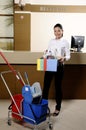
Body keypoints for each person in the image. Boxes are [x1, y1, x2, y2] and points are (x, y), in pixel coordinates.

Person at [42, 23, 70, 116]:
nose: (57, 32)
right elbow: (48, 52)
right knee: (46, 87)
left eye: (58, 30)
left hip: (59, 65)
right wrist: (45, 55)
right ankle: (44, 107)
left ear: (62, 31)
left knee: (58, 87)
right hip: (50, 64)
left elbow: (68, 55)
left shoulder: (65, 42)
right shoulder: (51, 41)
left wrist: (64, 58)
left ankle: (58, 108)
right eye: (55, 31)